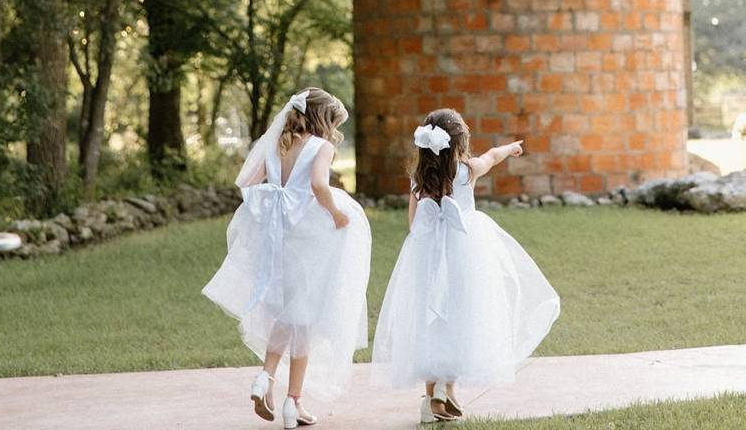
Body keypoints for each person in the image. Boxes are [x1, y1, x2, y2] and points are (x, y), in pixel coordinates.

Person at [372, 108, 560, 423]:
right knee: (460, 316)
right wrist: (511, 148)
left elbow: (413, 223)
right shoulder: (467, 170)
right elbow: (492, 156)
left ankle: (433, 396)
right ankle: (447, 389)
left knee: (431, 317)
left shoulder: (418, 177)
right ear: (460, 143)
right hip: (465, 252)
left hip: (428, 254)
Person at [202, 88, 371, 428]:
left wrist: (277, 203)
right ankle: (293, 404)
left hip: (279, 236)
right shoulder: (322, 147)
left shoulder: (278, 143)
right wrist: (337, 215)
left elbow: (248, 184)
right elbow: (320, 186)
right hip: (309, 236)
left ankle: (265, 377)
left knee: (286, 311)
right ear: (324, 119)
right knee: (303, 317)